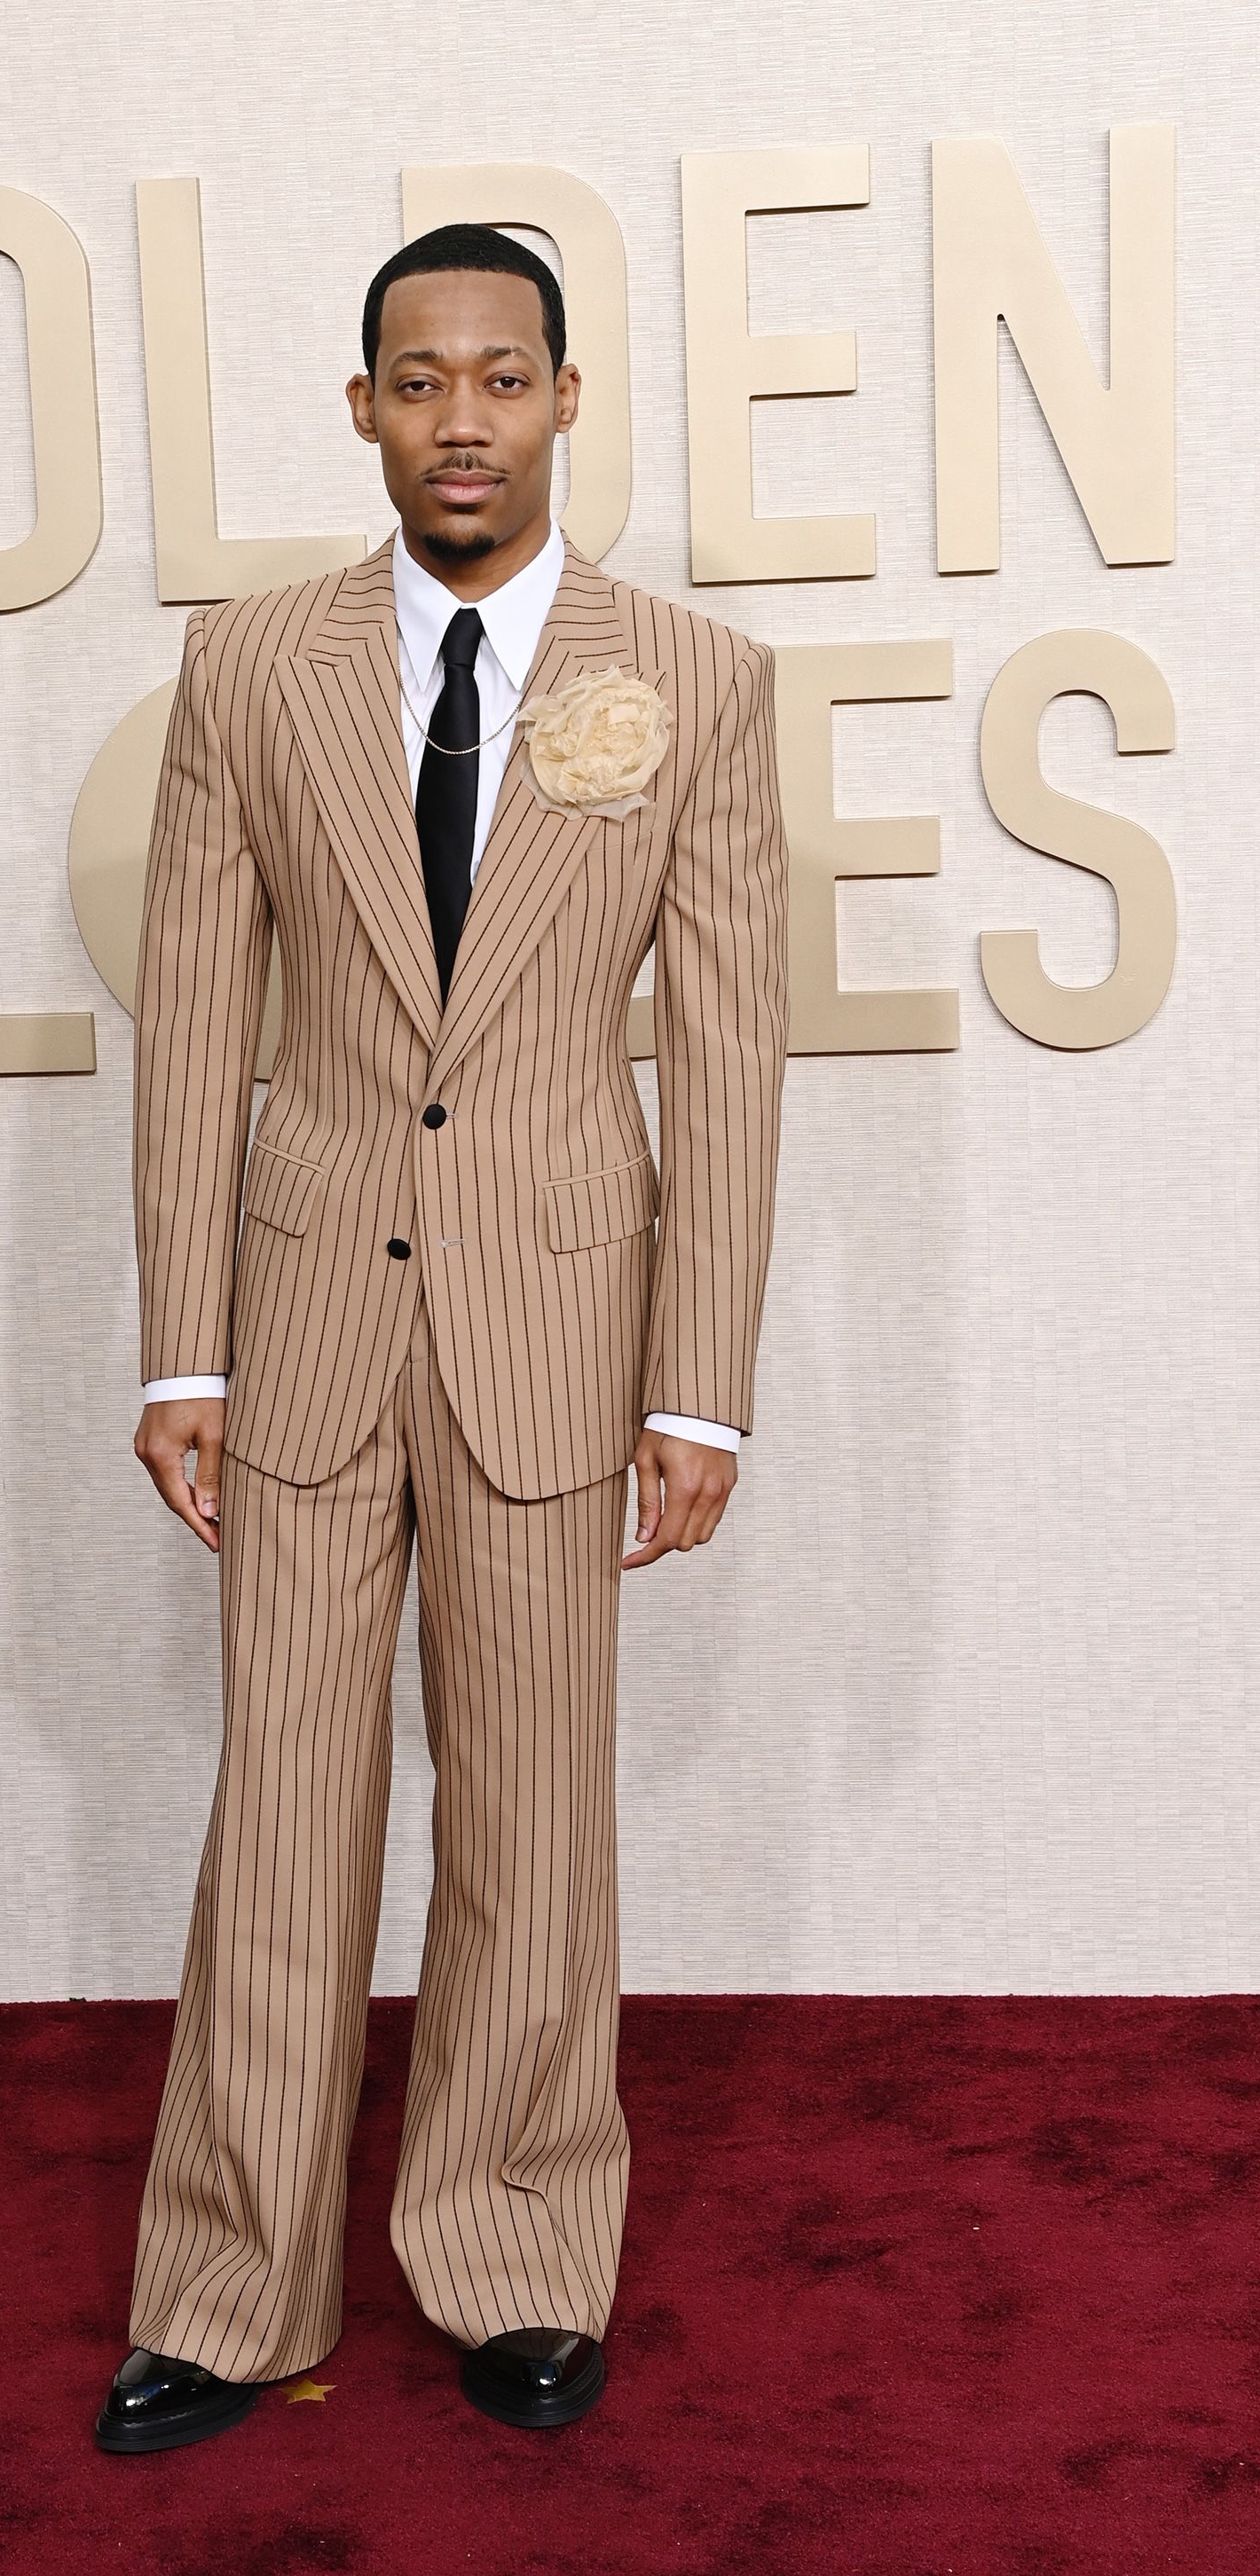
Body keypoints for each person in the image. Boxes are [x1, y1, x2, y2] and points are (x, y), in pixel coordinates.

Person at [97, 223, 789, 2453]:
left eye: (503, 376)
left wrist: (698, 1380)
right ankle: (224, 2290)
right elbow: (197, 1018)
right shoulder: (252, 667)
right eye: (418, 378)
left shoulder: (692, 679)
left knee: (532, 1824)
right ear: (364, 405)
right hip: (297, 1320)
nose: (461, 416)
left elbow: (734, 1054)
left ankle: (512, 2254)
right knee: (280, 1817)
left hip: (560, 1330)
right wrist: (175, 1352)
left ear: (566, 399)